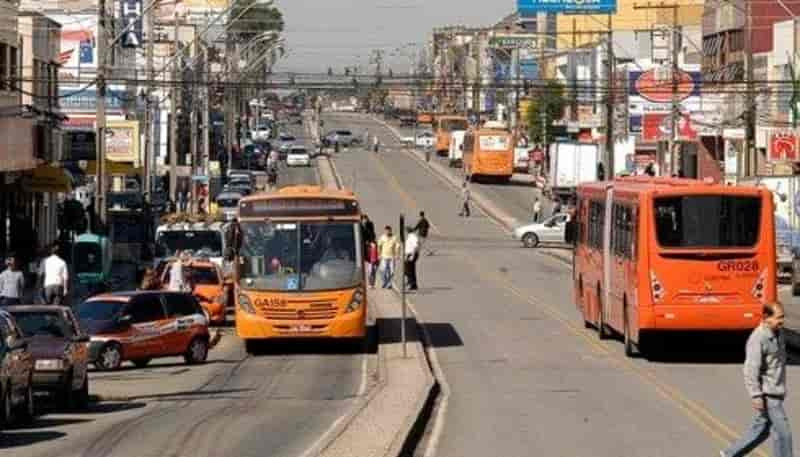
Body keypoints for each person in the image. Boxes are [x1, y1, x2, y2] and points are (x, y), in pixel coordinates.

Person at [722, 302, 793, 457]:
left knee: (761, 430)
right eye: (778, 318)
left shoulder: (778, 332)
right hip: (769, 395)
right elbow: (750, 369)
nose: (782, 321)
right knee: (784, 434)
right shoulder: (758, 338)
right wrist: (756, 395)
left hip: (778, 391)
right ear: (766, 317)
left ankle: (729, 454)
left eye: (782, 317)